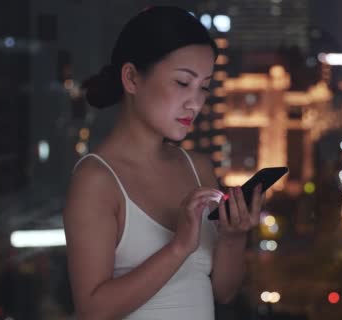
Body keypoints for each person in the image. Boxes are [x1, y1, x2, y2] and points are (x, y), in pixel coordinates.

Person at [63, 6, 263, 319]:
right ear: (131, 78)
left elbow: (224, 292)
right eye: (183, 83)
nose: (195, 103)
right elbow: (92, 311)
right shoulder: (96, 179)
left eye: (204, 87)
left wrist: (234, 237)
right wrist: (178, 247)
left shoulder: (199, 168)